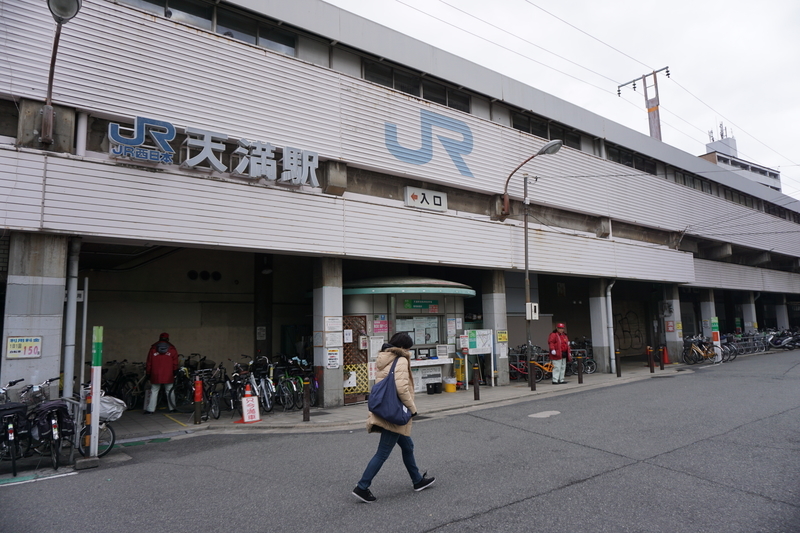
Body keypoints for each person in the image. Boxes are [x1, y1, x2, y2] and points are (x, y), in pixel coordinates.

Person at [352, 332, 435, 503]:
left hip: (387, 408)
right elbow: (401, 388)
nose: (409, 351)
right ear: (403, 347)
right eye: (408, 348)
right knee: (383, 452)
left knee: (408, 446)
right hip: (395, 413)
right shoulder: (401, 359)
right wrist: (412, 409)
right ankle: (362, 486)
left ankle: (417, 480)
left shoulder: (385, 358)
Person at [144, 332, 179, 414]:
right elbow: (175, 363)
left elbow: (149, 363)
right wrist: (174, 371)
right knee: (170, 390)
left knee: (154, 391)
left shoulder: (153, 349)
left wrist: (148, 373)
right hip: (168, 373)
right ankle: (172, 408)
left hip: (155, 373)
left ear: (159, 338)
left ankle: (150, 410)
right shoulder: (172, 349)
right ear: (168, 339)